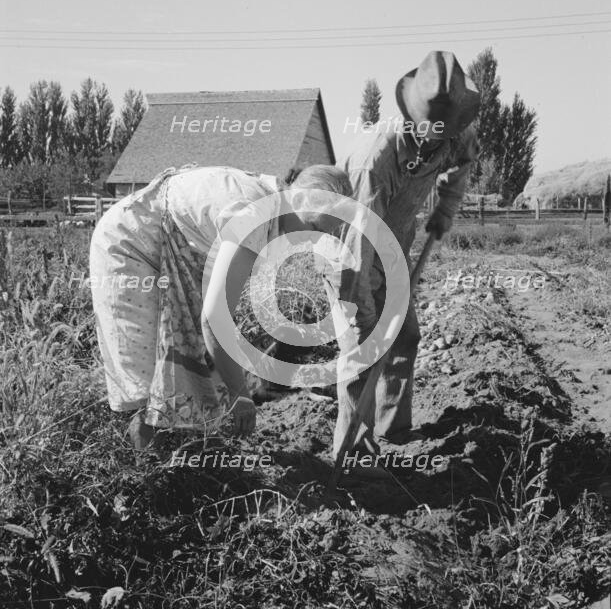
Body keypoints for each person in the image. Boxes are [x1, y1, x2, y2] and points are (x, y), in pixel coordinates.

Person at [89, 164, 352, 449]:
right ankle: (148, 475)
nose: (310, 240)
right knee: (148, 385)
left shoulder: (272, 202)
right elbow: (215, 320)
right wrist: (240, 394)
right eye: (312, 227)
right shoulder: (254, 217)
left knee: (195, 363)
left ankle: (199, 465)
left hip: (173, 254)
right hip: (131, 248)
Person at [331, 50, 481, 460]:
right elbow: (355, 250)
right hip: (348, 253)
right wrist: (364, 317)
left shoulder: (454, 131)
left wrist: (445, 209)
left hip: (392, 247)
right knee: (363, 348)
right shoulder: (375, 160)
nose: (443, 138)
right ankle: (353, 453)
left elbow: (464, 161)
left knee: (405, 336)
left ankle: (392, 428)